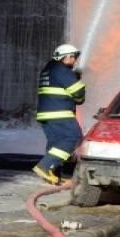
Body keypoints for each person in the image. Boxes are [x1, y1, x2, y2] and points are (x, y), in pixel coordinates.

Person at [32, 44, 86, 184]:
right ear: (66, 57)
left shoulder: (48, 69)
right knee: (73, 136)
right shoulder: (62, 70)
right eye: (73, 57)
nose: (75, 60)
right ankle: (44, 167)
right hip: (59, 113)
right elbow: (79, 93)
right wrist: (76, 80)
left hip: (46, 114)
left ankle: (52, 174)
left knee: (56, 142)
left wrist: (73, 75)